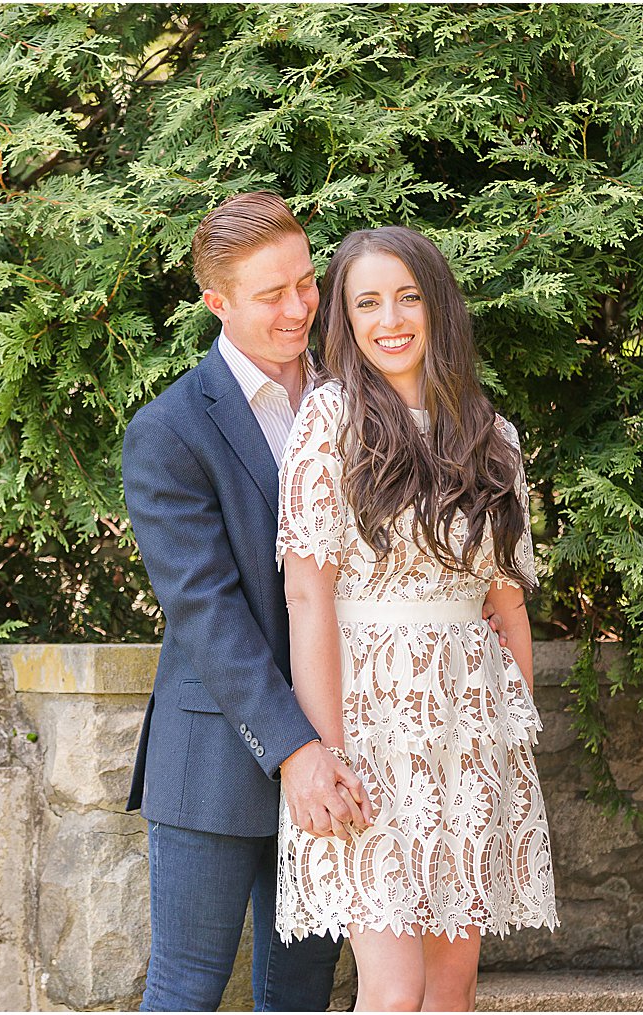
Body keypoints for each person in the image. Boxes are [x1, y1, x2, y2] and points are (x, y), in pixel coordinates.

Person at [274, 226, 558, 1010]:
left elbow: (507, 601)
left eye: (406, 296)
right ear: (345, 317)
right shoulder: (329, 421)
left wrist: (511, 734)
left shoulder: (491, 435)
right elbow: (308, 598)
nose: (389, 318)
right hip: (368, 724)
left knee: (452, 989)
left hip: (469, 733)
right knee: (393, 990)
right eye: (367, 301)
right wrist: (325, 751)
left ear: (437, 306)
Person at [120, 192, 368, 1011]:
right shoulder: (170, 430)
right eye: (273, 294)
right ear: (215, 302)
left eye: (307, 283)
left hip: (343, 746)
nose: (300, 307)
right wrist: (296, 748)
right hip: (216, 754)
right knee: (186, 988)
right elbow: (206, 612)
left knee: (300, 995)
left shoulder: (359, 400)